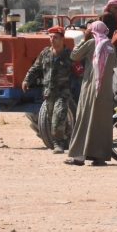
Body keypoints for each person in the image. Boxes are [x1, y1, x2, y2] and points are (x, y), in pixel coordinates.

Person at [65, 21, 116, 166]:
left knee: (84, 119)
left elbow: (74, 55)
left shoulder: (91, 43)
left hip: (90, 89)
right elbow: (115, 64)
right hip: (105, 92)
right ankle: (99, 157)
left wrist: (84, 39)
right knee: (101, 124)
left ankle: (79, 157)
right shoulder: (110, 46)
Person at [22, 26, 75, 154]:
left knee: (58, 116)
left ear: (62, 39)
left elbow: (79, 72)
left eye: (55, 37)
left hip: (63, 92)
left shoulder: (70, 55)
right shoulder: (45, 53)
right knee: (52, 118)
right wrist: (26, 80)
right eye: (50, 37)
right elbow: (35, 68)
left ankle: (58, 144)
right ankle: (71, 134)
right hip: (49, 91)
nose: (52, 40)